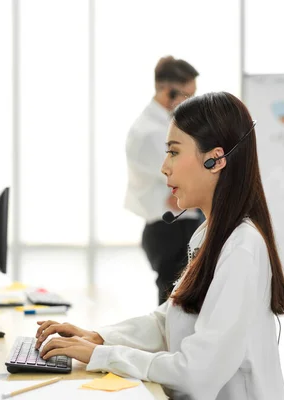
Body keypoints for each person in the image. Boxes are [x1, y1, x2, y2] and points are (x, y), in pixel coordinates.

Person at [34, 92, 284, 399]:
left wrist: (102, 356)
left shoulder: (242, 249)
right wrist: (99, 338)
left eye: (173, 152)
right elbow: (170, 319)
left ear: (215, 160)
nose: (164, 167)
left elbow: (195, 376)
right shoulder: (209, 234)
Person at [125, 55, 204, 305]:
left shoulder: (165, 124)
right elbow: (180, 183)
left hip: (176, 224)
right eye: (186, 95)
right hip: (169, 228)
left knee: (181, 298)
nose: (189, 102)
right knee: (174, 302)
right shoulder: (150, 132)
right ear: (167, 91)